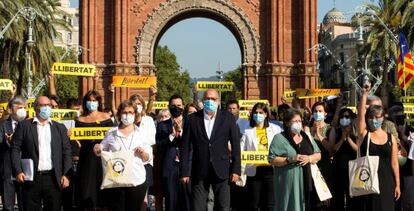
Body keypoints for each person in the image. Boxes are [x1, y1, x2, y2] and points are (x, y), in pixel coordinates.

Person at [180, 89, 241, 211]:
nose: (210, 101)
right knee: (198, 206)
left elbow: (235, 145)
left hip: (222, 169)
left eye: (213, 99)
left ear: (219, 101)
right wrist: (184, 172)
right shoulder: (192, 119)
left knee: (223, 206)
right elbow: (185, 147)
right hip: (199, 170)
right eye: (207, 99)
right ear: (202, 101)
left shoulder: (228, 117)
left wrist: (236, 169)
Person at [11, 96, 72, 211]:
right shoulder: (24, 126)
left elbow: (67, 152)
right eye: (43, 105)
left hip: (53, 178)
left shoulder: (60, 128)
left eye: (49, 105)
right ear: (35, 108)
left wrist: (66, 174)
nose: (47, 108)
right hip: (31, 179)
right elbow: (15, 149)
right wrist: (18, 171)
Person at [93, 100, 151, 211]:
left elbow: (148, 158)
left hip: (136, 180)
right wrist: (97, 148)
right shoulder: (111, 132)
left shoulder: (141, 133)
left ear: (135, 114)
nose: (127, 115)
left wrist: (143, 153)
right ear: (119, 114)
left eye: (130, 112)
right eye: (124, 112)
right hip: (116, 180)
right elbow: (101, 149)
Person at [355, 83, 400, 211]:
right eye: (371, 117)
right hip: (367, 181)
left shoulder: (391, 137)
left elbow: (395, 163)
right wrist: (364, 94)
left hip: (387, 182)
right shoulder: (365, 135)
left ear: (383, 118)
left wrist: (397, 184)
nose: (374, 120)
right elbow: (360, 115)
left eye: (377, 117)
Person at [268, 108, 321, 211]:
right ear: (287, 123)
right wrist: (290, 159)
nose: (298, 123)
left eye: (299, 121)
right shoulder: (279, 138)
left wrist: (309, 158)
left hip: (308, 181)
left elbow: (318, 155)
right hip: (288, 183)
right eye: (295, 121)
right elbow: (272, 159)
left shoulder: (306, 137)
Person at [76, 90, 114, 210]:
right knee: (86, 190)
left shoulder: (106, 117)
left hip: (102, 158)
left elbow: (111, 138)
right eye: (89, 101)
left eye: (94, 100)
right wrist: (72, 137)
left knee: (102, 193)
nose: (91, 103)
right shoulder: (80, 119)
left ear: (98, 102)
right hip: (86, 158)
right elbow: (78, 140)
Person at [240, 103, 282, 211]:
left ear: (266, 114)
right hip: (253, 170)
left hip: (271, 170)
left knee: (270, 204)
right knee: (254, 204)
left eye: (261, 113)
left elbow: (281, 147)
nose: (258, 115)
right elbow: (241, 150)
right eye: (256, 113)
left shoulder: (276, 129)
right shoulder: (247, 130)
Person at [156, 94, 190, 211]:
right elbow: (159, 146)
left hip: (187, 167)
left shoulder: (190, 123)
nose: (176, 108)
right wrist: (171, 135)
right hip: (169, 168)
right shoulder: (161, 126)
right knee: (171, 201)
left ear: (183, 106)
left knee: (187, 201)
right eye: (173, 106)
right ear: (169, 107)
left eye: (179, 105)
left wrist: (180, 132)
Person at [129, 94, 156, 211]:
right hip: (131, 162)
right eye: (134, 104)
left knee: (144, 195)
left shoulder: (148, 120)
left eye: (139, 104)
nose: (137, 106)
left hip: (145, 162)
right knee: (132, 194)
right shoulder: (127, 121)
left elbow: (151, 139)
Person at [0, 96, 27, 211]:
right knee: (8, 205)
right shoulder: (2, 125)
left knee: (25, 204)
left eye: (24, 108)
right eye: (20, 107)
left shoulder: (29, 125)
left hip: (25, 169)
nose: (23, 110)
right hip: (8, 170)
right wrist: (7, 141)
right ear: (11, 109)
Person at [329, 107, 357, 211]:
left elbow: (357, 150)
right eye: (342, 117)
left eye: (347, 117)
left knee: (352, 198)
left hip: (352, 170)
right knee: (338, 197)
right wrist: (343, 137)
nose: (344, 119)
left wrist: (348, 137)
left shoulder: (355, 132)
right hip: (338, 169)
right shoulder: (335, 131)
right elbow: (333, 150)